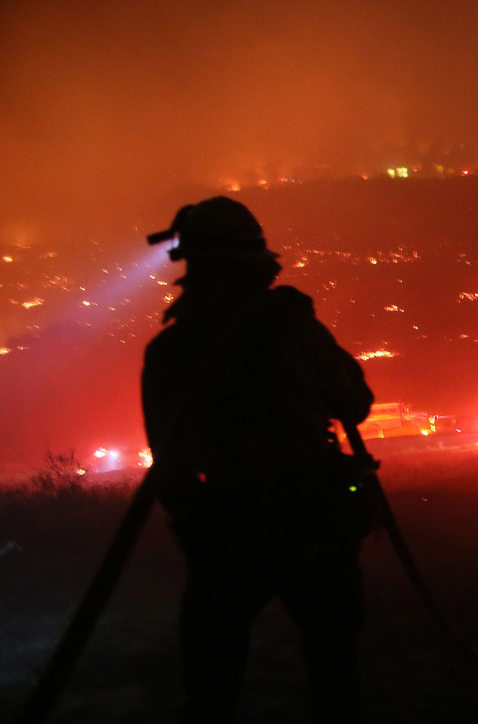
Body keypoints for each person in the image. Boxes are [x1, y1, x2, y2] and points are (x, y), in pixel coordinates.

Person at [141, 196, 375, 724]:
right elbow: (355, 402)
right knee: (334, 671)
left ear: (193, 266)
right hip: (311, 521)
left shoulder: (168, 354)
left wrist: (199, 527)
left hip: (225, 529)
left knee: (211, 684)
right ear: (257, 265)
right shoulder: (293, 330)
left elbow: (169, 467)